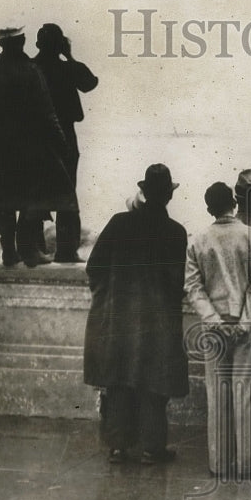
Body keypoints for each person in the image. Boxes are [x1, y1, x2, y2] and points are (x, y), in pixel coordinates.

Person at [83, 165, 189, 464]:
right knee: (154, 385)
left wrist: (109, 301)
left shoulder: (119, 223)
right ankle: (150, 448)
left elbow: (95, 269)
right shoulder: (175, 232)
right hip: (157, 322)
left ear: (144, 191)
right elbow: (177, 282)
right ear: (168, 195)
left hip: (119, 320)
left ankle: (117, 446)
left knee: (118, 380)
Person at [0, 25, 76, 267]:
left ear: (0, 44)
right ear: (23, 40)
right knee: (31, 199)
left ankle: (8, 251)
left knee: (4, 196)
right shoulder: (31, 72)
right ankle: (29, 252)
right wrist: (61, 143)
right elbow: (48, 113)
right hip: (29, 151)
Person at [185, 182, 251, 479]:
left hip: (214, 328)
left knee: (217, 394)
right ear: (234, 203)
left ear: (209, 208)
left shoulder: (198, 240)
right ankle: (249, 463)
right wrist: (244, 322)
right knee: (245, 394)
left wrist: (215, 321)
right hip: (246, 325)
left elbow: (193, 288)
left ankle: (219, 464)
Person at [32, 23, 99, 263]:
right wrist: (69, 55)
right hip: (66, 137)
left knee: (35, 193)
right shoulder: (67, 69)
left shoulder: (30, 68)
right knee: (67, 193)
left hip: (35, 138)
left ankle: (35, 248)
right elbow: (89, 82)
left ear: (38, 44)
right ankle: (66, 251)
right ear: (60, 44)